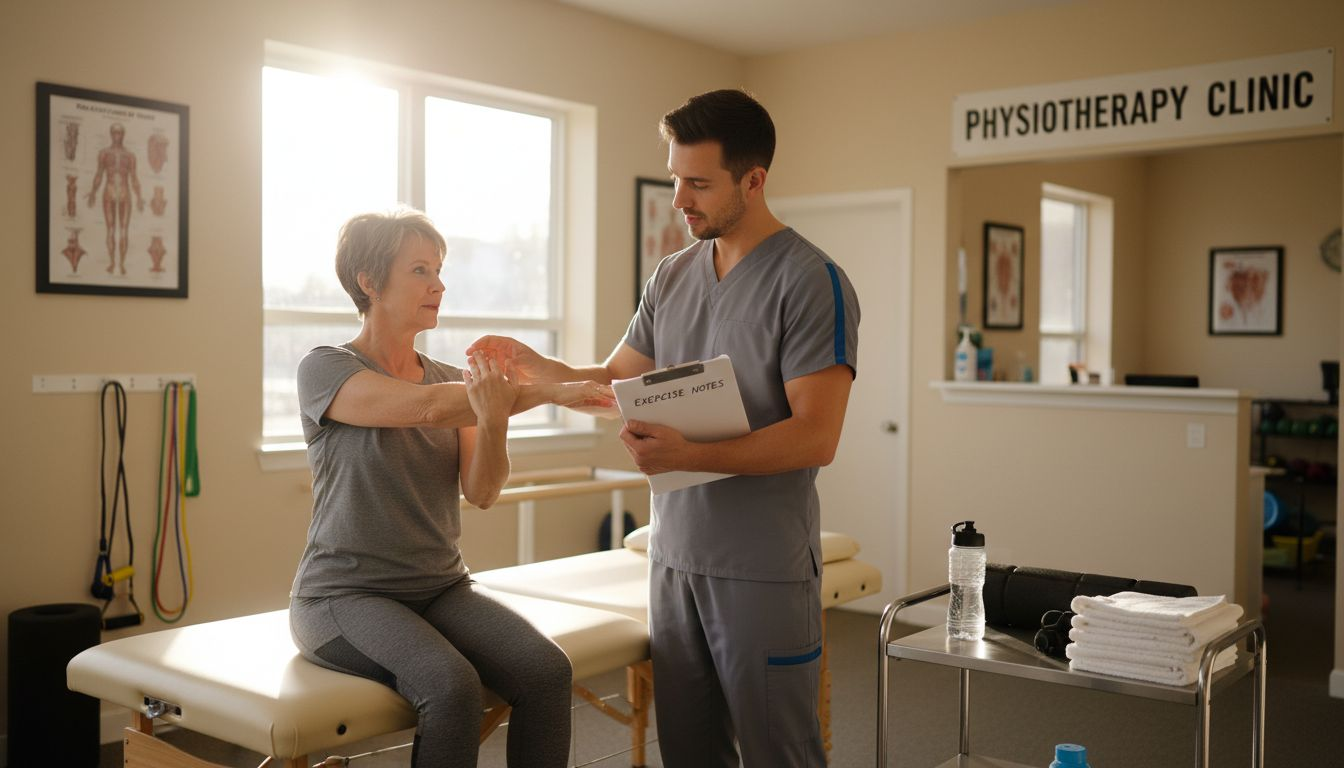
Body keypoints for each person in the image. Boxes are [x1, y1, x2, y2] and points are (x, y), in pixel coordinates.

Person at [469, 89, 860, 768]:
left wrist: (690, 452)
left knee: (779, 753)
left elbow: (815, 437)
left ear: (753, 180)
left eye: (698, 184)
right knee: (688, 751)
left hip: (761, 566)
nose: (680, 199)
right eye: (676, 178)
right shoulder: (672, 276)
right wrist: (541, 372)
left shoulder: (809, 281)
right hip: (674, 558)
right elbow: (615, 386)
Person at [289, 208, 613, 768]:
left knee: (546, 671)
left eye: (439, 270)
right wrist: (549, 390)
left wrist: (495, 417)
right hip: (344, 596)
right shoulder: (326, 369)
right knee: (450, 686)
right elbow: (424, 409)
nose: (438, 285)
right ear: (369, 282)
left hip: (441, 587)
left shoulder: (450, 380)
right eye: (420, 270)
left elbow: (482, 492)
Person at [85, 122, 144, 275]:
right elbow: (99, 174)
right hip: (109, 191)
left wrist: (139, 196)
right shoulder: (104, 153)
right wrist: (93, 192)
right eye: (115, 133)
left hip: (125, 192)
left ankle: (122, 264)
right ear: (111, 134)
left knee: (124, 230)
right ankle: (112, 263)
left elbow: (134, 178)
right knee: (110, 229)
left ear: (123, 135)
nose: (117, 136)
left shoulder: (130, 156)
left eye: (120, 133)